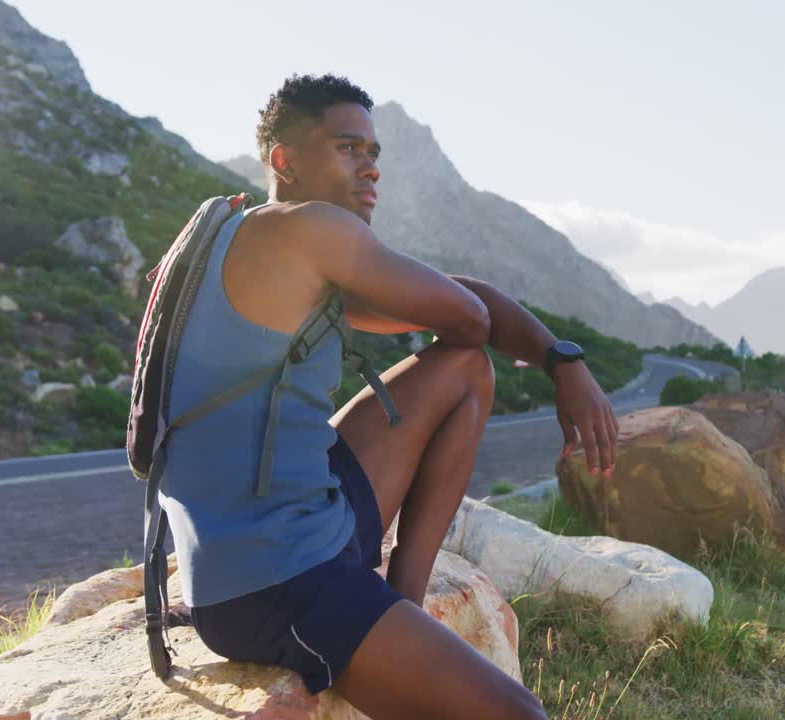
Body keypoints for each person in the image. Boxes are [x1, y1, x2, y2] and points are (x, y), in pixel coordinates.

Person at [160, 73, 618, 719]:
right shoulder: (313, 231)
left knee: (465, 371)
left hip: (287, 529)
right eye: (349, 149)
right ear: (284, 161)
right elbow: (470, 316)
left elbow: (465, 319)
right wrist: (562, 363)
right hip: (275, 582)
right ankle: (383, 612)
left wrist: (560, 358)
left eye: (374, 154)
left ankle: (401, 601)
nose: (370, 170)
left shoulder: (238, 233)